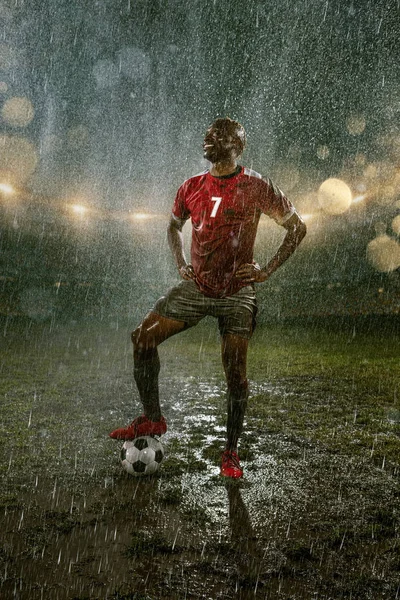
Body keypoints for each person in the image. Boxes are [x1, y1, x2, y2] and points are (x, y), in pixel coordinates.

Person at [110, 117, 306, 478]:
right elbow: (173, 226)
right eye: (207, 135)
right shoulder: (191, 187)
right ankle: (153, 419)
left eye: (218, 136)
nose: (208, 140)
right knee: (142, 338)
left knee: (236, 376)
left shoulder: (256, 185)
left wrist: (266, 271)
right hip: (197, 289)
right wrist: (181, 261)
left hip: (237, 294)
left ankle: (230, 452)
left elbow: (297, 228)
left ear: (237, 144)